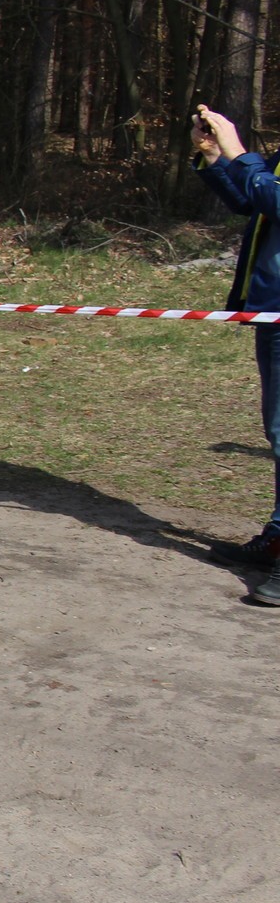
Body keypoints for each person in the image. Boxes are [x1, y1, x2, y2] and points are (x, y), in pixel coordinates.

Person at [192, 105, 280, 604]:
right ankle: (277, 538)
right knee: (279, 433)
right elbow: (255, 201)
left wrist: (239, 152)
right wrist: (215, 157)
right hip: (271, 311)